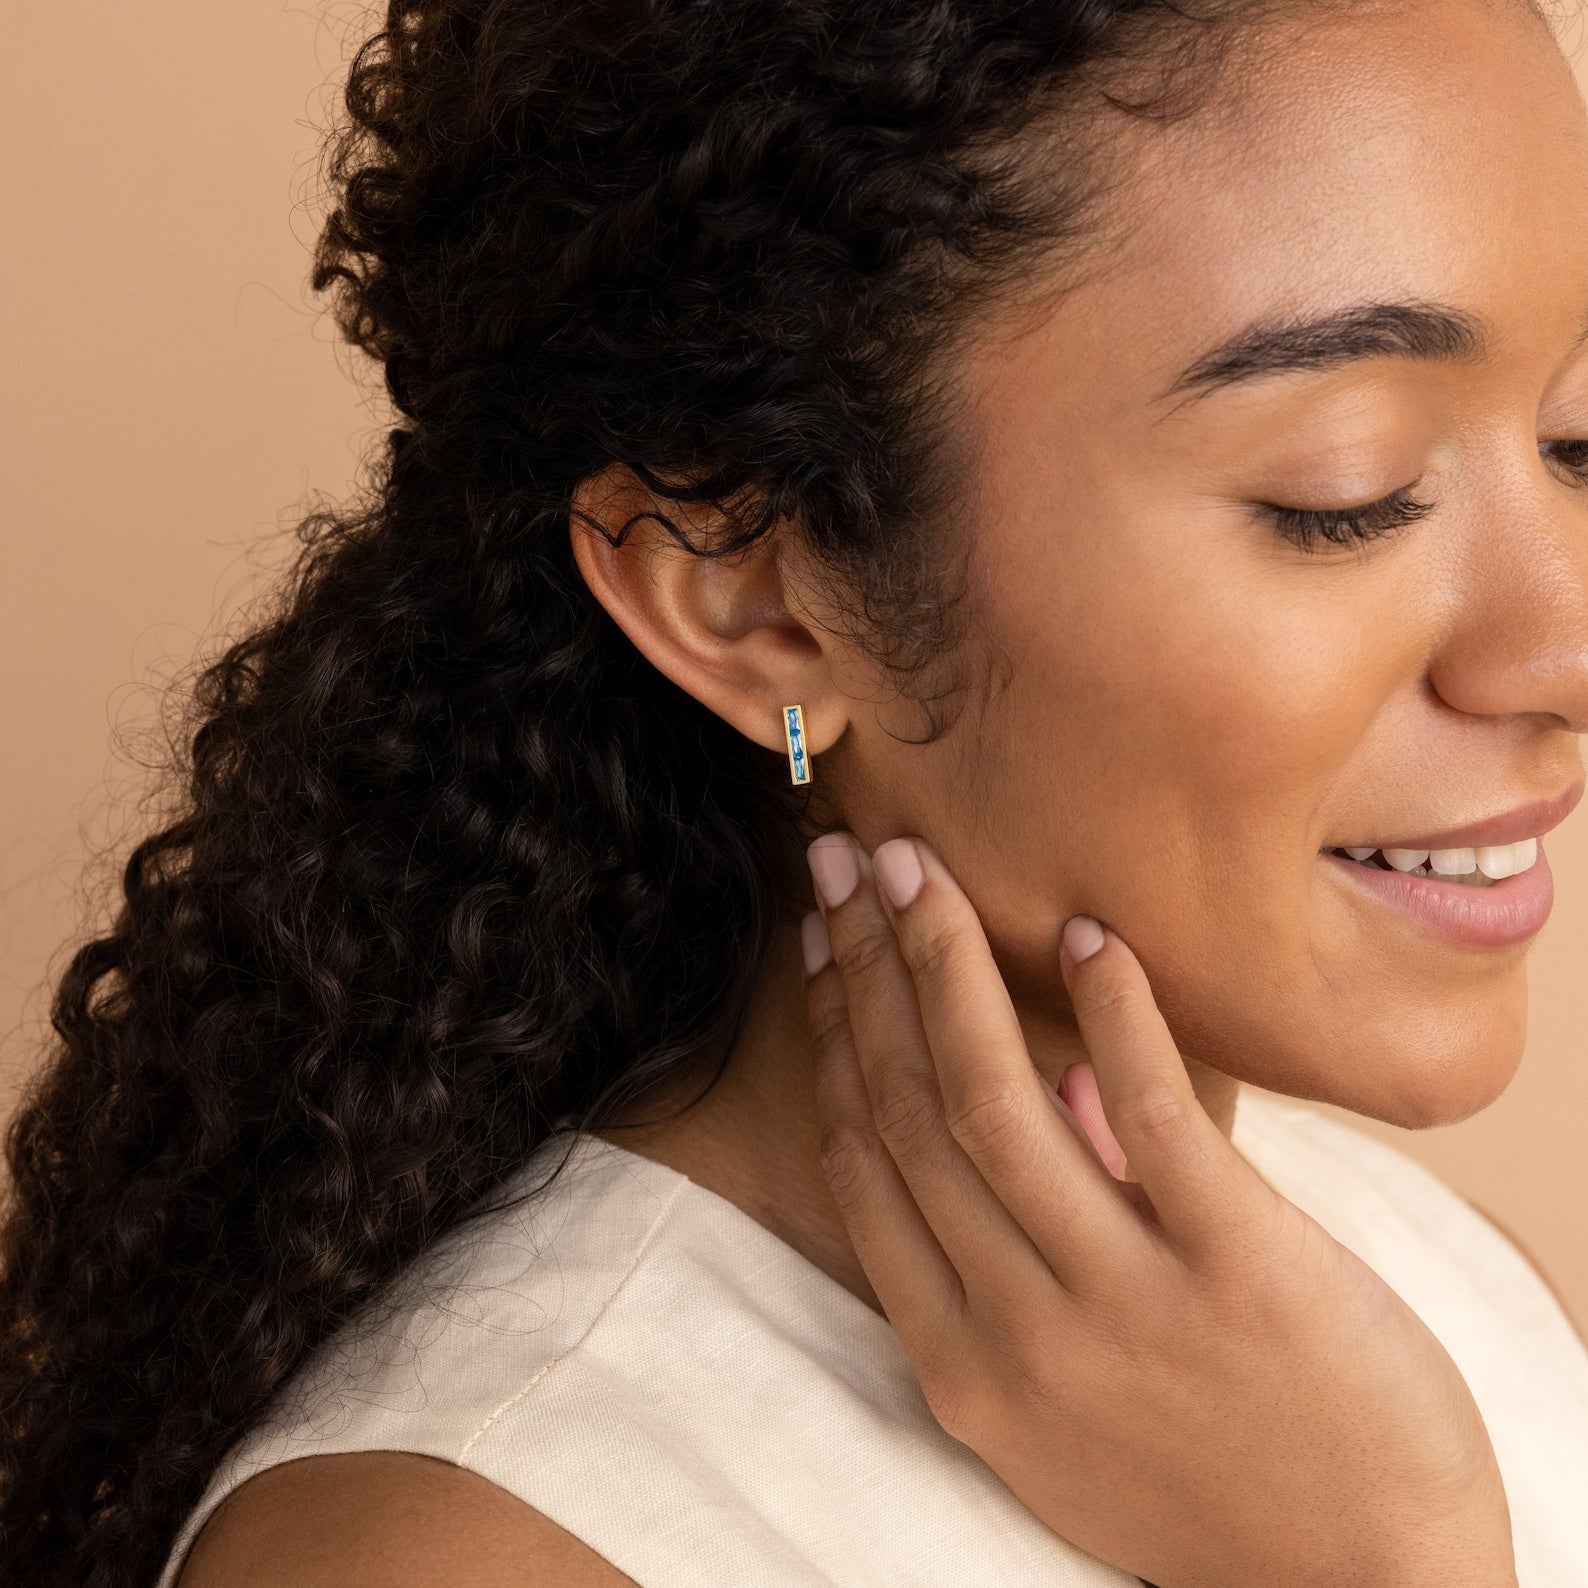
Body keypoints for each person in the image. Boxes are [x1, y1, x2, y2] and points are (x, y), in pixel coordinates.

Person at [3, 0, 1588, 1582]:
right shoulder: (464, 1546)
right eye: (1349, 494)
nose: (1560, 647)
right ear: (752, 605)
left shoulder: (1434, 1306)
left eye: (1579, 439)